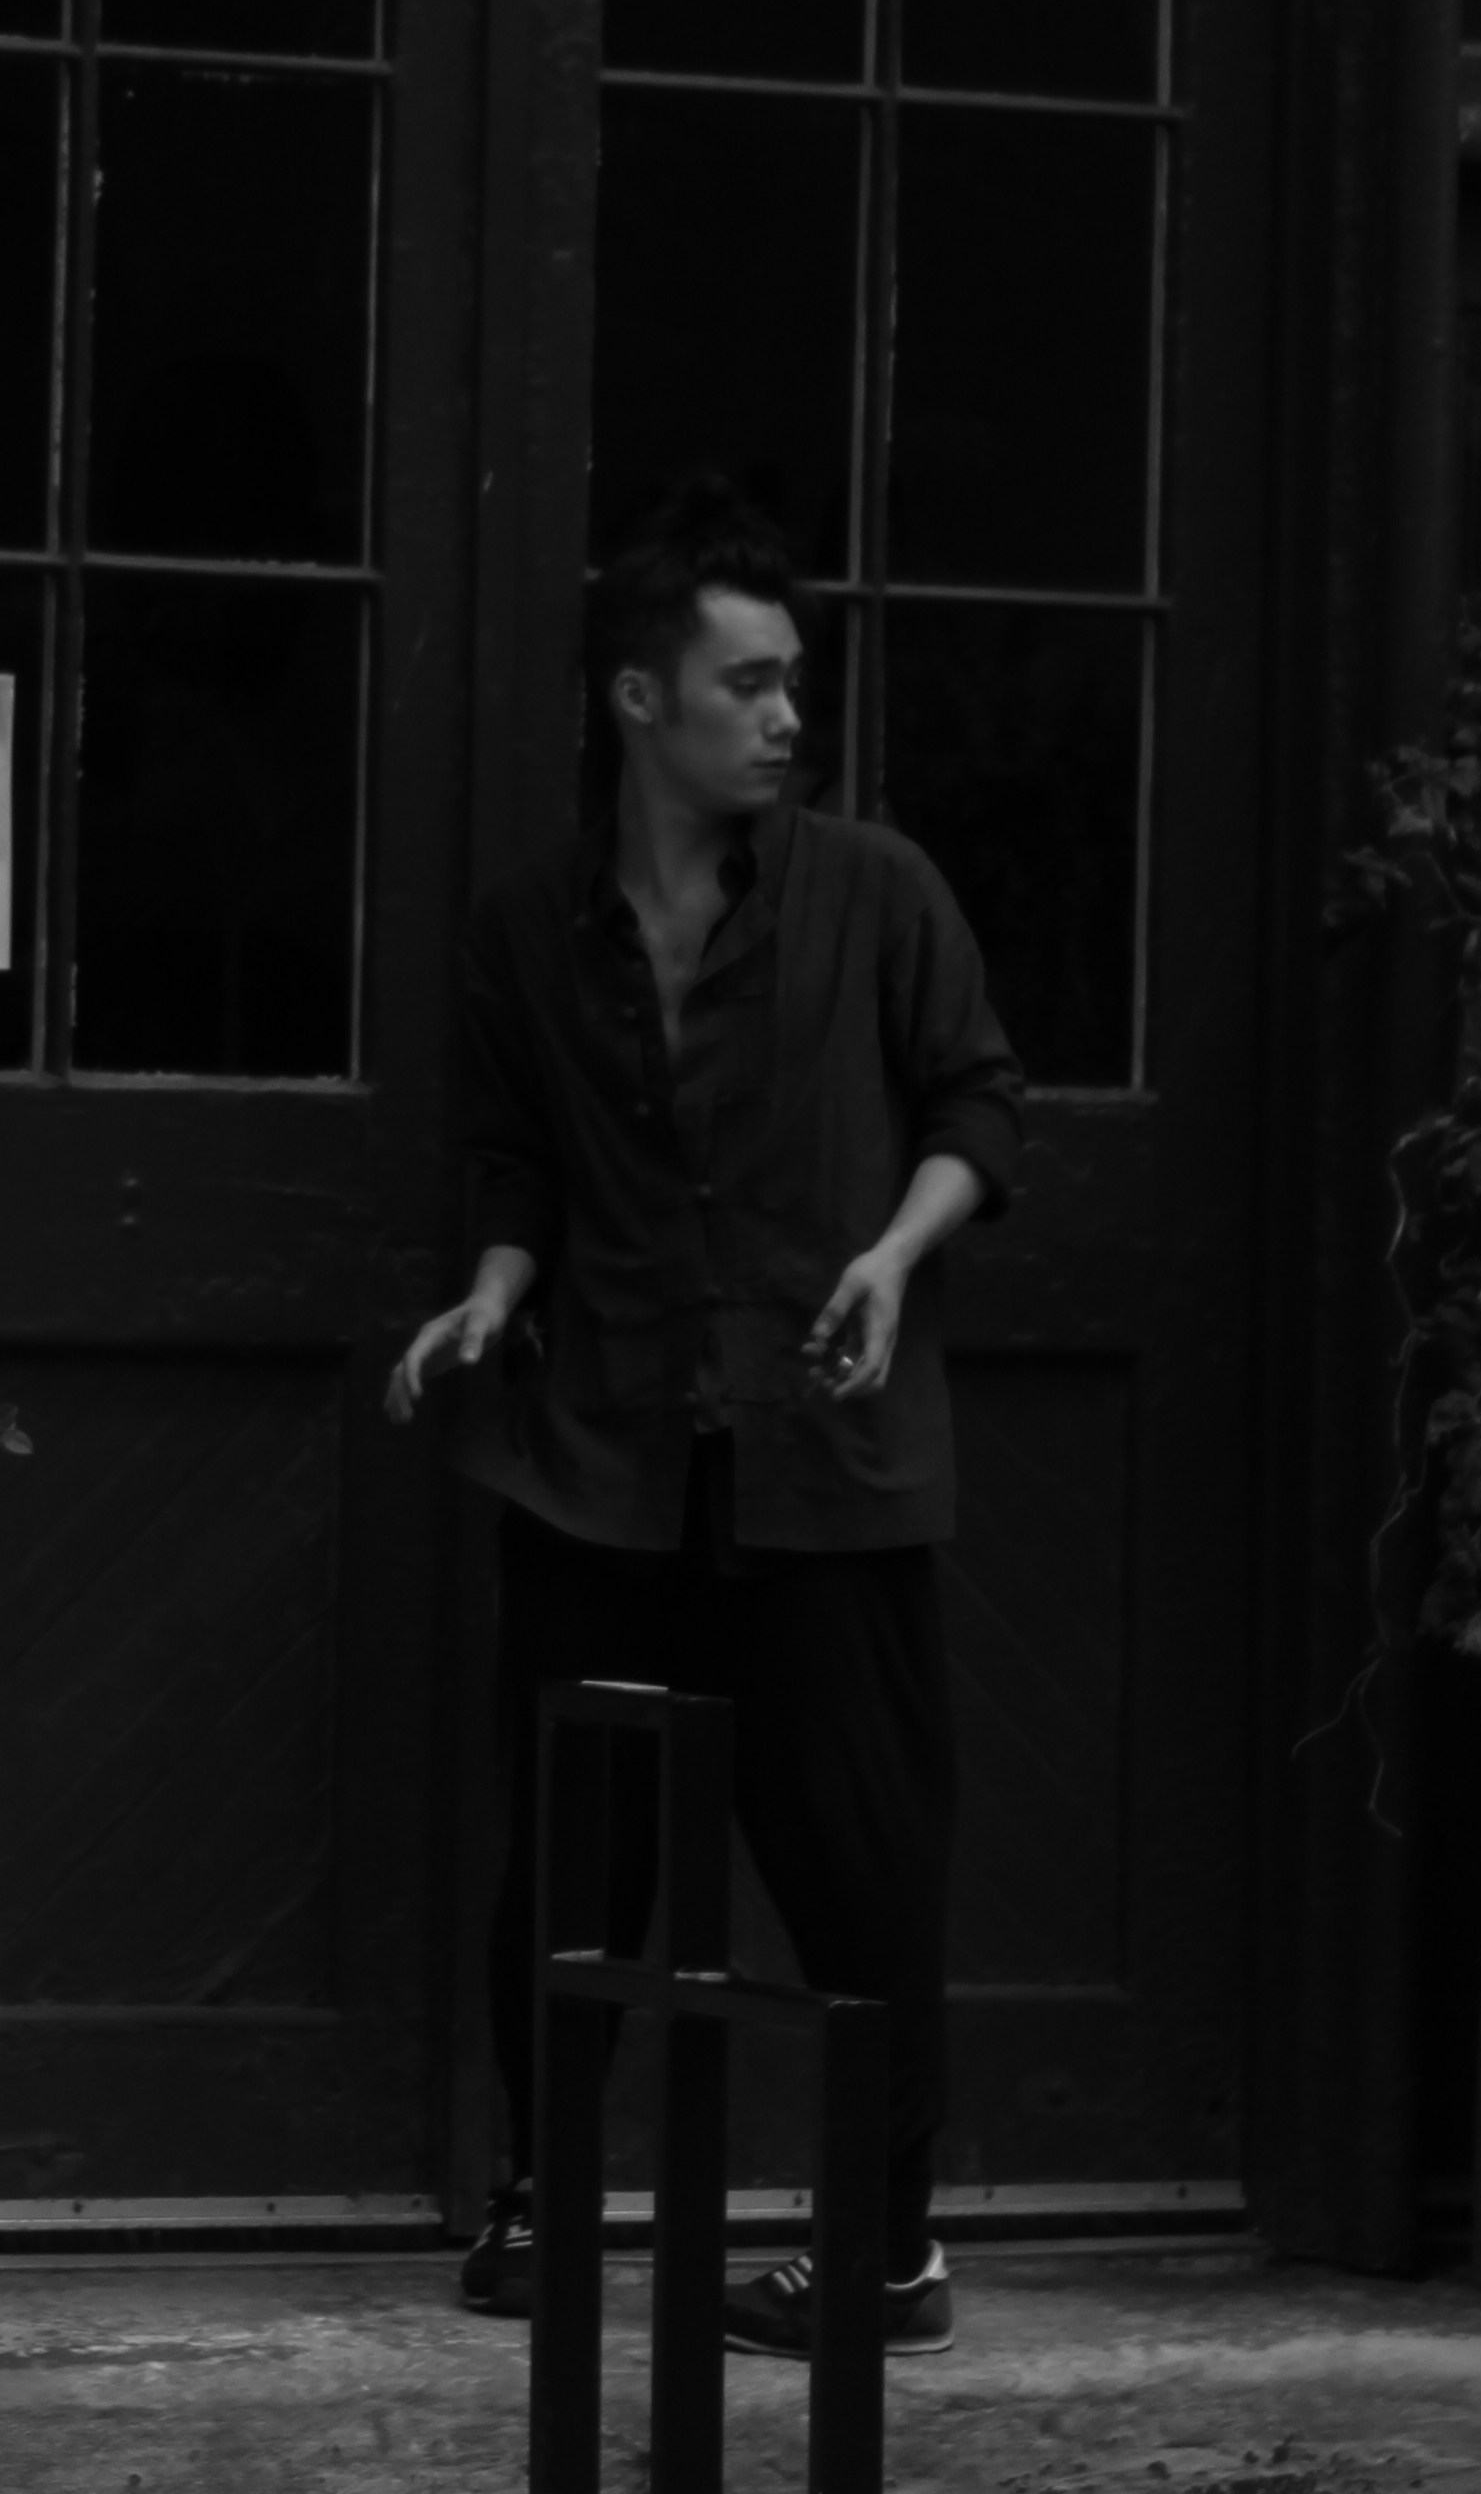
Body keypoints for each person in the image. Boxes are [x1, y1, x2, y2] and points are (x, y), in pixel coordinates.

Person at [385, 479, 1025, 2359]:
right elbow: (519, 1158)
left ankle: (886, 2254)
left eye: (795, 684)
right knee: (578, 1868)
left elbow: (982, 1113)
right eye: (747, 683)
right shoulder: (532, 927)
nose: (786, 717)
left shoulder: (877, 892)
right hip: (600, 1461)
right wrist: (496, 1290)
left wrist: (898, 1257)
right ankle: (544, 2208)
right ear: (637, 700)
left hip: (827, 1470)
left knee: (861, 1863)